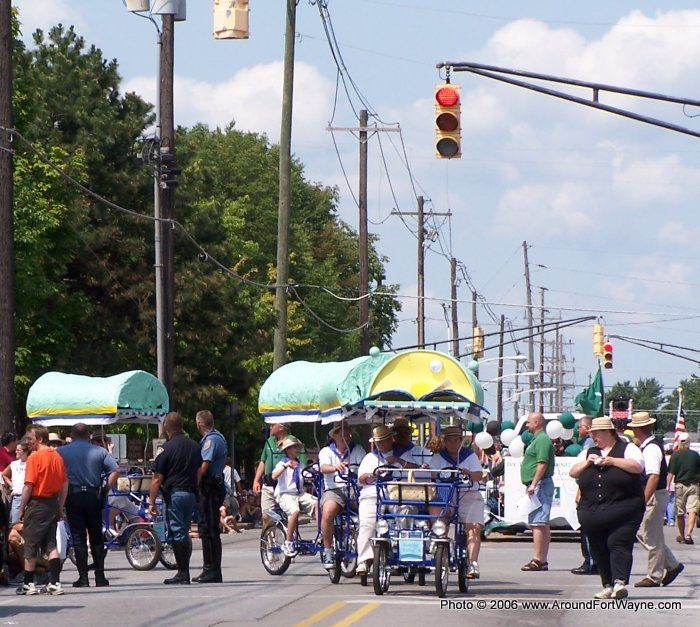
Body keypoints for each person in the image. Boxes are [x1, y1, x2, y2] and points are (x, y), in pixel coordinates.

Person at [570, 417, 645, 600]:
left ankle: (619, 582)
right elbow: (573, 472)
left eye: (596, 434)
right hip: (593, 510)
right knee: (599, 547)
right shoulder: (589, 452)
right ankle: (607, 584)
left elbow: (637, 467)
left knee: (618, 543)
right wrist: (588, 462)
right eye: (592, 434)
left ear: (608, 433)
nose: (594, 437)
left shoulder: (627, 448)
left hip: (624, 508)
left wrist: (612, 461)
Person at [57, 423, 120, 588]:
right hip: (93, 495)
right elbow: (116, 470)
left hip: (73, 496)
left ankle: (83, 577)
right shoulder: (100, 451)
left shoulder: (62, 452)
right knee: (96, 536)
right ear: (88, 435)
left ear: (72, 435)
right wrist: (105, 489)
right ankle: (100, 576)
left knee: (78, 537)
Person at [628, 412, 684, 588]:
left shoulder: (651, 449)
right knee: (647, 534)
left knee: (649, 535)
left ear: (637, 429)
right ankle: (672, 564)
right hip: (654, 494)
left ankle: (654, 576)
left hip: (653, 494)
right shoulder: (649, 446)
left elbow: (653, 476)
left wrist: (643, 500)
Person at [148, 412, 201, 585]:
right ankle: (183, 570)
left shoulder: (166, 448)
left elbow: (157, 478)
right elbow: (199, 471)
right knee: (184, 531)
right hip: (191, 494)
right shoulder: (195, 446)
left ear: (166, 428)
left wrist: (151, 501)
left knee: (178, 533)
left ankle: (183, 573)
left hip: (175, 495)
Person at [17, 425, 68, 595]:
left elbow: (28, 485)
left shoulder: (34, 457)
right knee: (51, 544)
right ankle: (55, 582)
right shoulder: (57, 457)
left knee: (30, 543)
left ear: (39, 439)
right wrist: (60, 506)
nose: (27, 442)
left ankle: (28, 583)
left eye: (30, 438)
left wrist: (21, 508)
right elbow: (65, 484)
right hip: (52, 503)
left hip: (37, 503)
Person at [429, 425, 484, 579]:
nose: (453, 444)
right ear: (444, 442)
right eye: (449, 440)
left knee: (473, 528)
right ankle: (440, 544)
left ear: (461, 441)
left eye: (456, 440)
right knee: (436, 512)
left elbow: (479, 475)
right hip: (445, 494)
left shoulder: (468, 455)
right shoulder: (438, 457)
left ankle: (472, 563)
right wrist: (430, 470)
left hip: (468, 494)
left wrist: (468, 473)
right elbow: (431, 474)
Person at [317, 421, 365, 569]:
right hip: (334, 489)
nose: (347, 437)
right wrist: (334, 468)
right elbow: (323, 468)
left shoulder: (357, 449)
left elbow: (364, 466)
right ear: (335, 436)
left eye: (349, 434)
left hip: (354, 489)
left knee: (371, 510)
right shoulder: (326, 451)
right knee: (328, 512)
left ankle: (371, 552)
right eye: (344, 434)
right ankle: (328, 550)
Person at [355, 425, 398, 576]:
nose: (382, 444)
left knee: (407, 514)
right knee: (367, 524)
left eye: (384, 440)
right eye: (379, 442)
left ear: (391, 439)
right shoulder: (370, 458)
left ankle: (404, 550)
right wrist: (372, 475)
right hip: (372, 494)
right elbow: (361, 479)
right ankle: (364, 560)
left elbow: (415, 470)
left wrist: (397, 461)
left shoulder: (401, 455)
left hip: (396, 495)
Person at [194, 410, 228, 583]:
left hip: (210, 488)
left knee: (208, 528)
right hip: (213, 486)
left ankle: (211, 570)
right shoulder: (216, 437)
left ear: (199, 424)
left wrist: (195, 481)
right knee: (208, 527)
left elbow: (204, 465)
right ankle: (211, 569)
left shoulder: (211, 440)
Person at [520, 413, 555, 572]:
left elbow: (542, 463)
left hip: (540, 484)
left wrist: (534, 483)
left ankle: (538, 559)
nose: (527, 425)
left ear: (537, 423)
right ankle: (542, 559)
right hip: (538, 484)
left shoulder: (542, 440)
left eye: (528, 422)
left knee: (538, 523)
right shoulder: (537, 439)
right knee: (539, 523)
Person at [253, 422, 307, 526]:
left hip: (285, 486)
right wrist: (256, 480)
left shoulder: (293, 442)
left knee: (288, 514)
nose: (270, 427)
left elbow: (302, 464)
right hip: (269, 483)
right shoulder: (269, 441)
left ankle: (288, 533)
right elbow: (263, 461)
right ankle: (269, 535)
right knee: (266, 515)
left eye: (272, 425)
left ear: (281, 427)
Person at [271, 438, 318, 557]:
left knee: (318, 503)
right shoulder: (282, 463)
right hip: (285, 494)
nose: (297, 449)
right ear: (287, 450)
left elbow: (307, 475)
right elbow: (274, 476)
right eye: (294, 447)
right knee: (295, 511)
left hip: (299, 493)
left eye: (297, 447)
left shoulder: (300, 465)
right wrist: (286, 466)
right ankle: (288, 542)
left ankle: (322, 533)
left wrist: (314, 474)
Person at [571, 416, 596, 575]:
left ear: (587, 428)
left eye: (579, 427)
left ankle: (591, 562)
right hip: (591, 490)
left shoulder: (589, 444)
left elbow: (584, 471)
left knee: (588, 529)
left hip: (590, 491)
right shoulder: (590, 443)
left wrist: (579, 491)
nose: (577, 430)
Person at [667, 432, 700, 544]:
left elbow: (671, 473)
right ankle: (688, 534)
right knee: (692, 510)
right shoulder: (695, 455)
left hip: (680, 486)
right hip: (694, 486)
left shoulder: (675, 455)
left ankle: (681, 535)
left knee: (680, 512)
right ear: (689, 442)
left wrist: (667, 486)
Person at [2, 440, 30, 524]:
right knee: (15, 523)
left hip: (29, 497)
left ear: (25, 451)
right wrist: (11, 485)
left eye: (18, 450)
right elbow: (4, 474)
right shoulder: (14, 464)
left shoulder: (30, 463)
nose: (15, 452)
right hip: (17, 496)